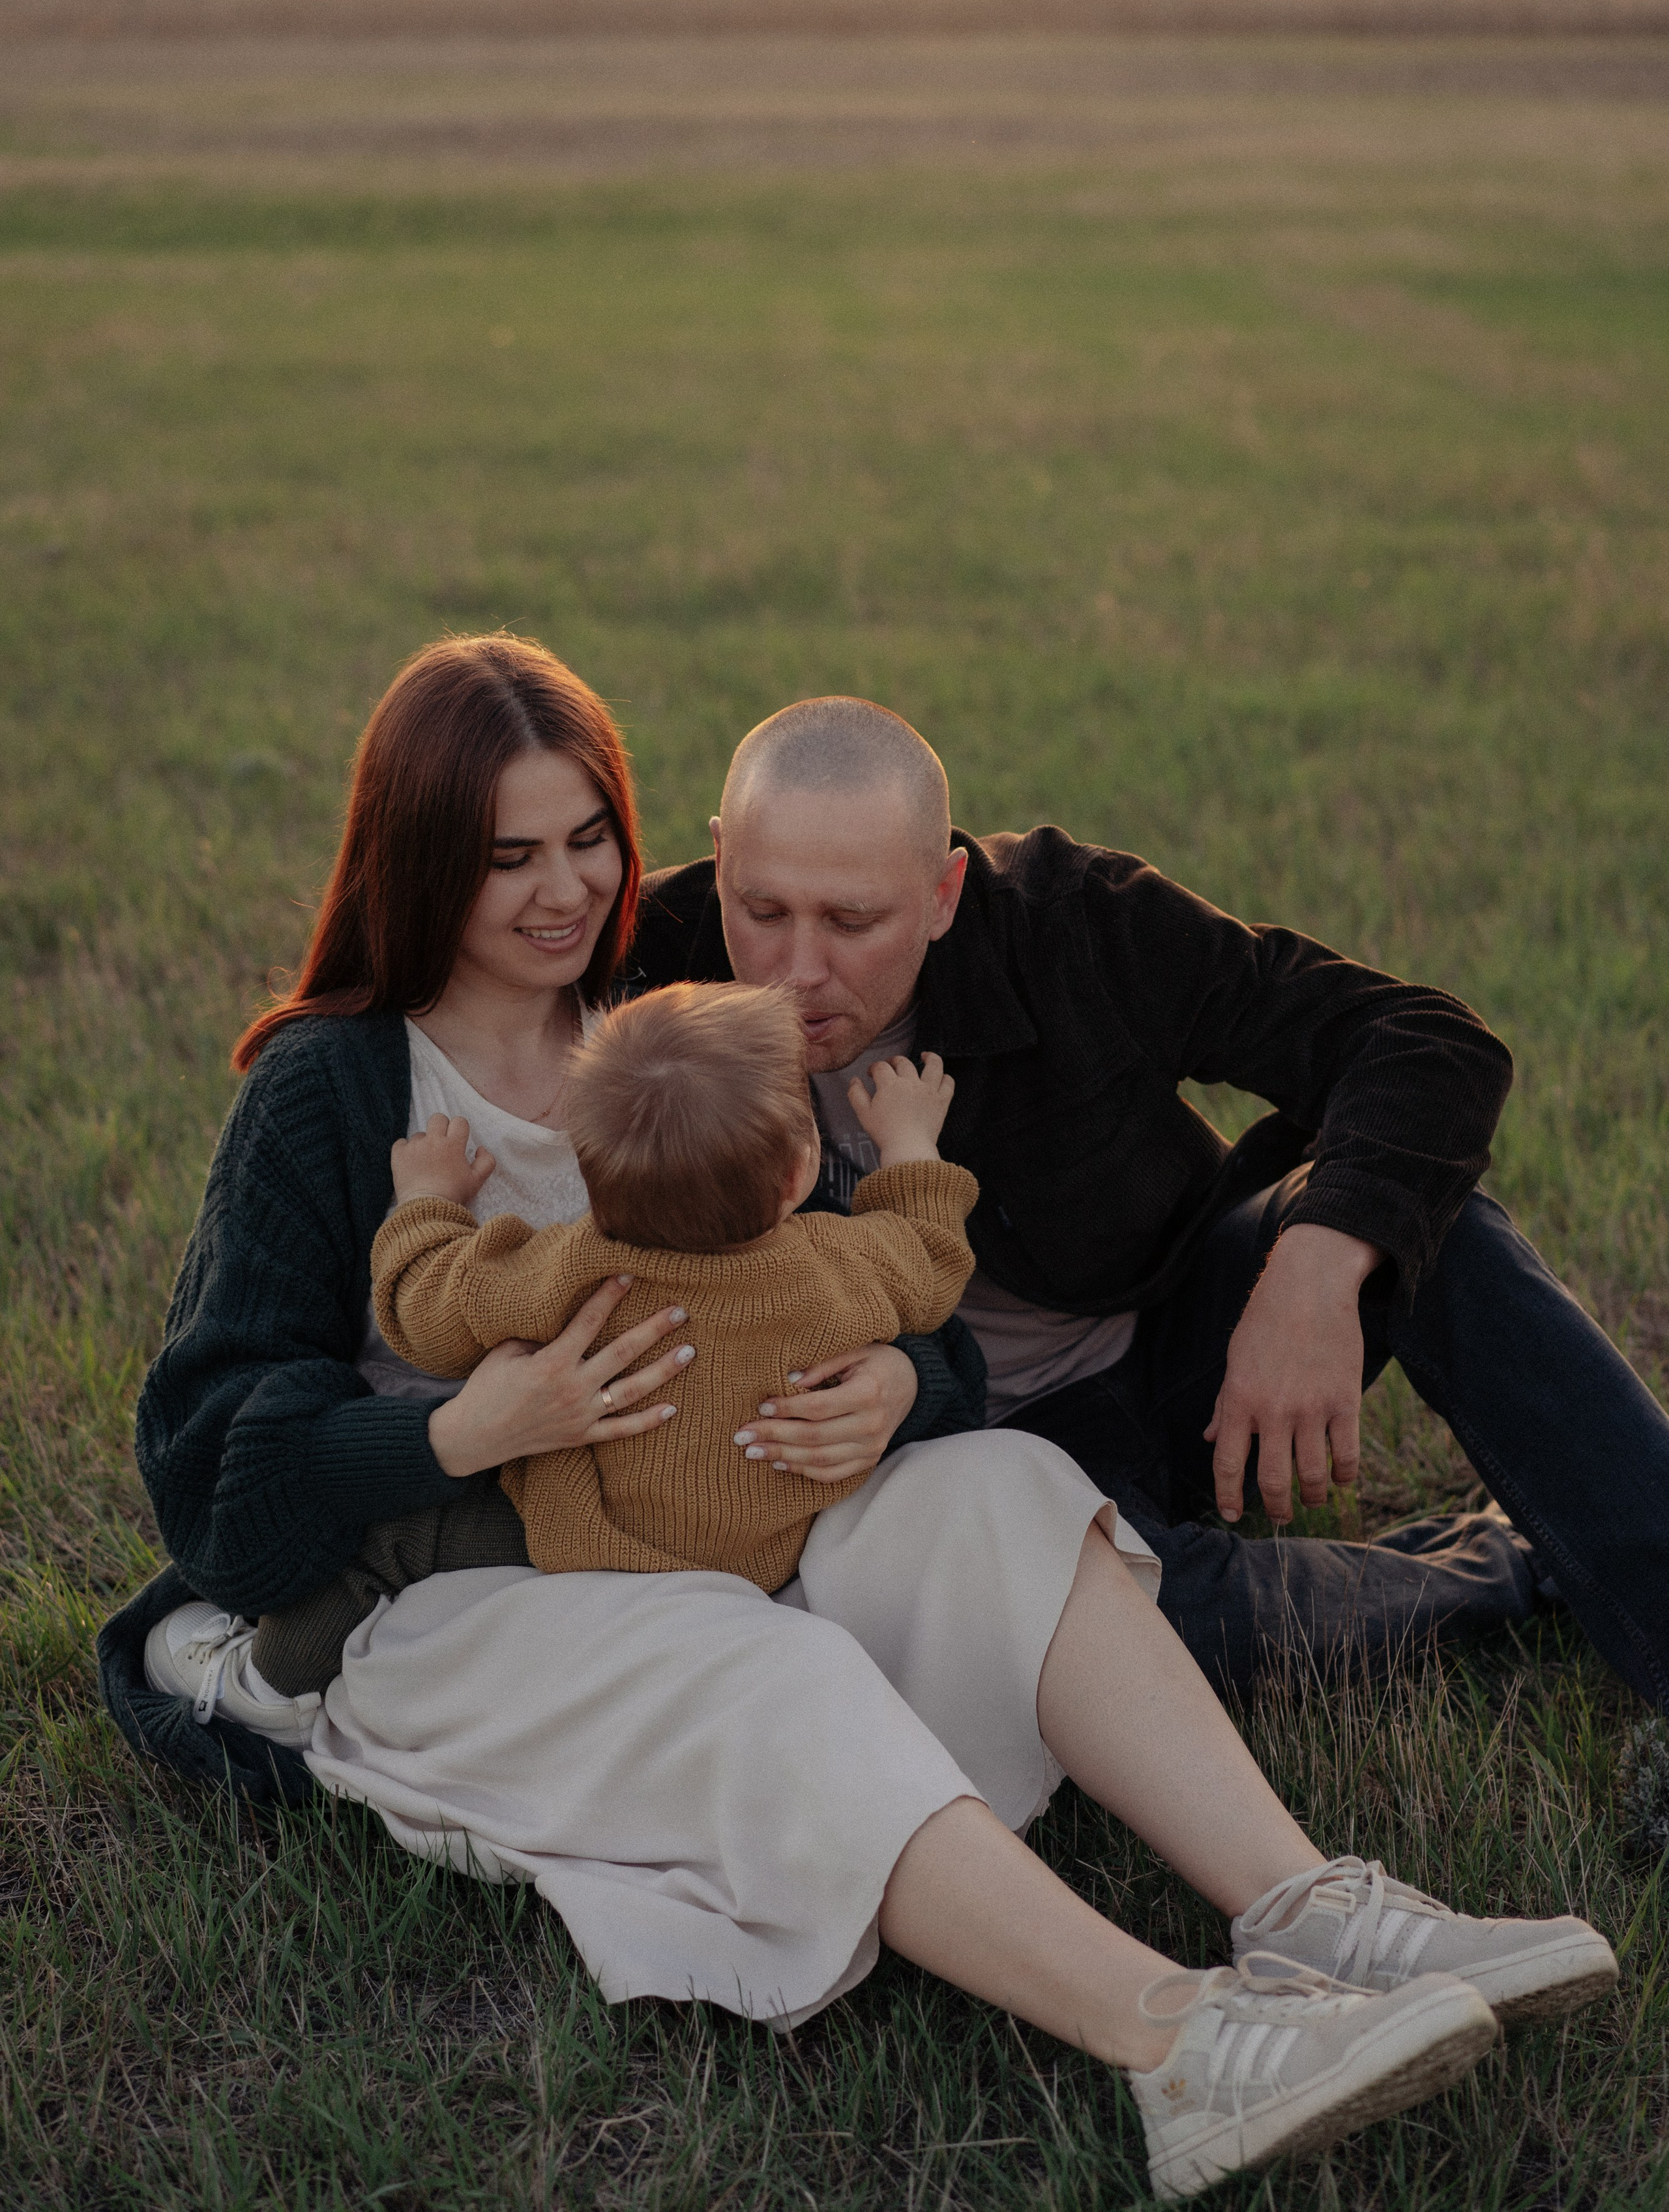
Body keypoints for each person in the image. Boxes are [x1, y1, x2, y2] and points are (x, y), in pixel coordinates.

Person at [101, 634, 1616, 2205]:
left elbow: (859, 1283)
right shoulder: (335, 1087)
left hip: (725, 1524)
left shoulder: (676, 1023)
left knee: (1004, 1482)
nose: (561, 892)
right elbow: (211, 1468)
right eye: (505, 857)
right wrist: (466, 1429)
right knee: (761, 1658)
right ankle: (1178, 2040)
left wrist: (912, 1382)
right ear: (416, 861)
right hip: (464, 1592)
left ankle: (1306, 1902)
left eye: (587, 840)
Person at [627, 693, 1669, 1708]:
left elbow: (1425, 1042)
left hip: (1155, 1352)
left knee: (1434, 1234)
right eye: (760, 910)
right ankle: (1509, 1566)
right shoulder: (649, 967)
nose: (796, 970)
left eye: (854, 920)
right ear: (721, 858)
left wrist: (1315, 1267)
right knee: (1137, 1639)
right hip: (930, 1472)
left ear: (945, 892)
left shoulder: (1070, 925)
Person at [370, 983, 976, 1589]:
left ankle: (300, 1653)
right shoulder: (838, 1264)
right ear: (798, 1176)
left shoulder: (570, 1270)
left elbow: (427, 1313)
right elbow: (932, 1257)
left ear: (586, 1168)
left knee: (397, 1538)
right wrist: (908, 1140)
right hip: (762, 1561)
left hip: (582, 1550)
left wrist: (426, 1198)